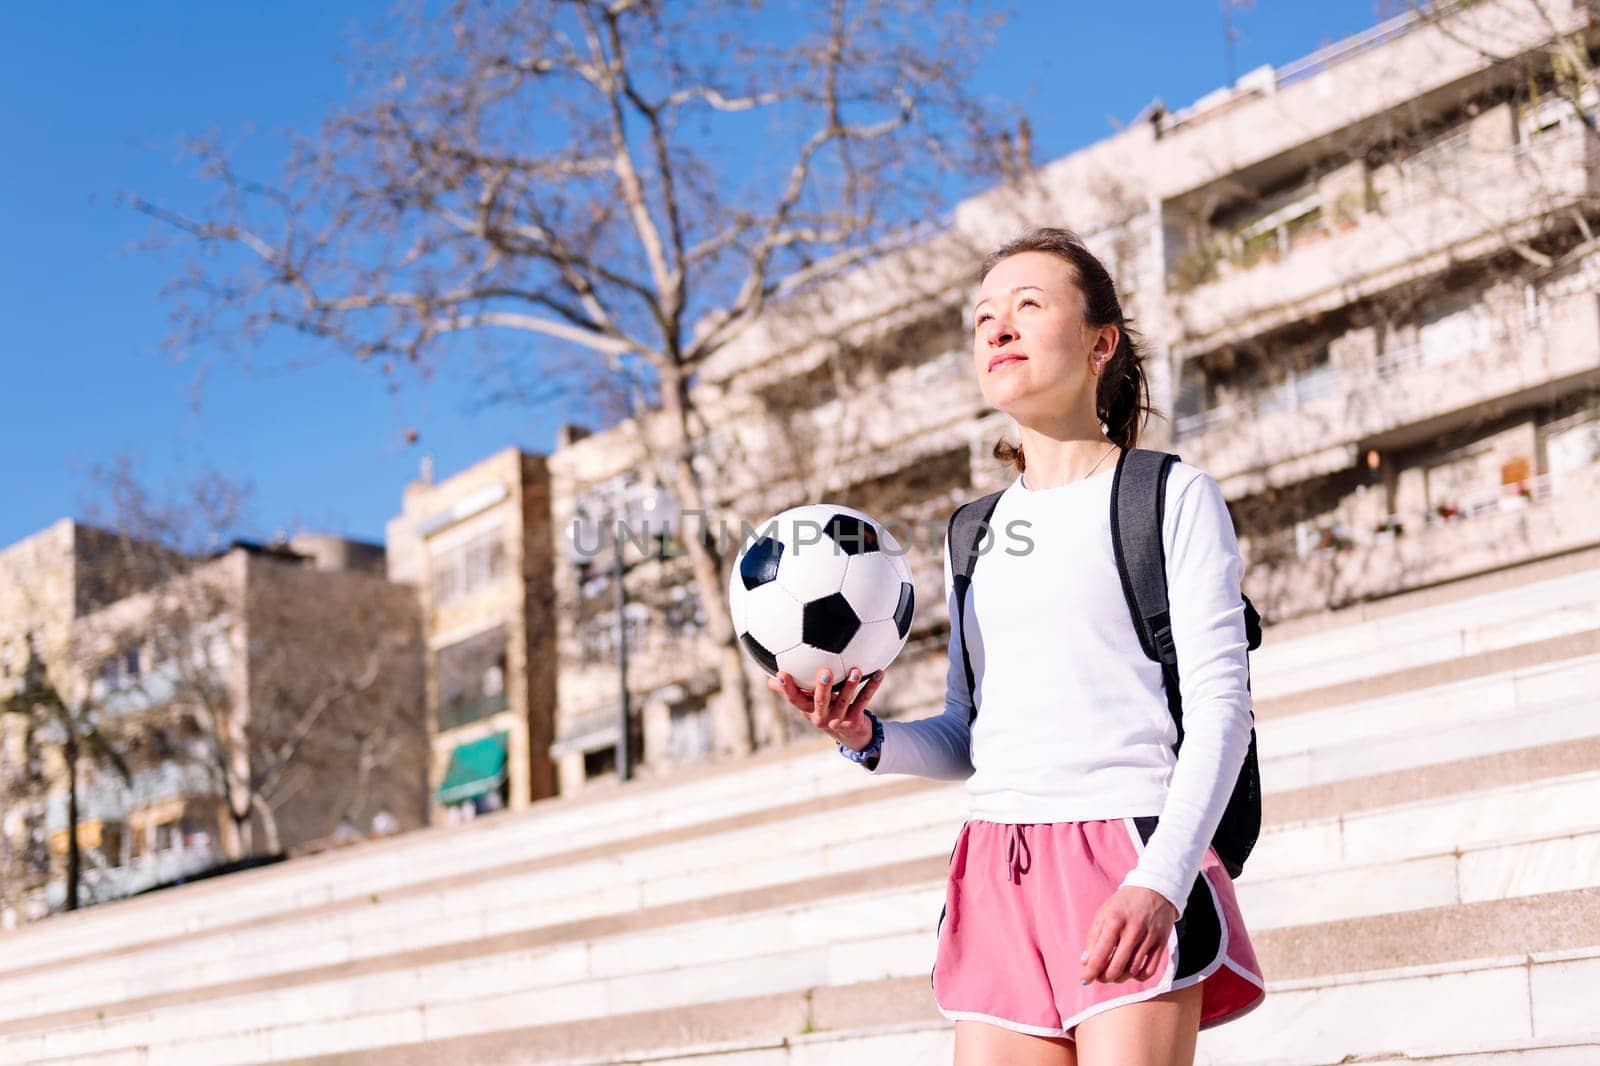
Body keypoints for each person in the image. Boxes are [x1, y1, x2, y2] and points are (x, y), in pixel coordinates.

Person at [769, 227, 1266, 1066]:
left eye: (1029, 306)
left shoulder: (1170, 495)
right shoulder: (974, 532)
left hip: (1128, 845)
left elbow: (1223, 711)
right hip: (996, 862)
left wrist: (1161, 881)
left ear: (1101, 343)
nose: (998, 329)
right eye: (983, 318)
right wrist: (870, 739)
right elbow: (971, 732)